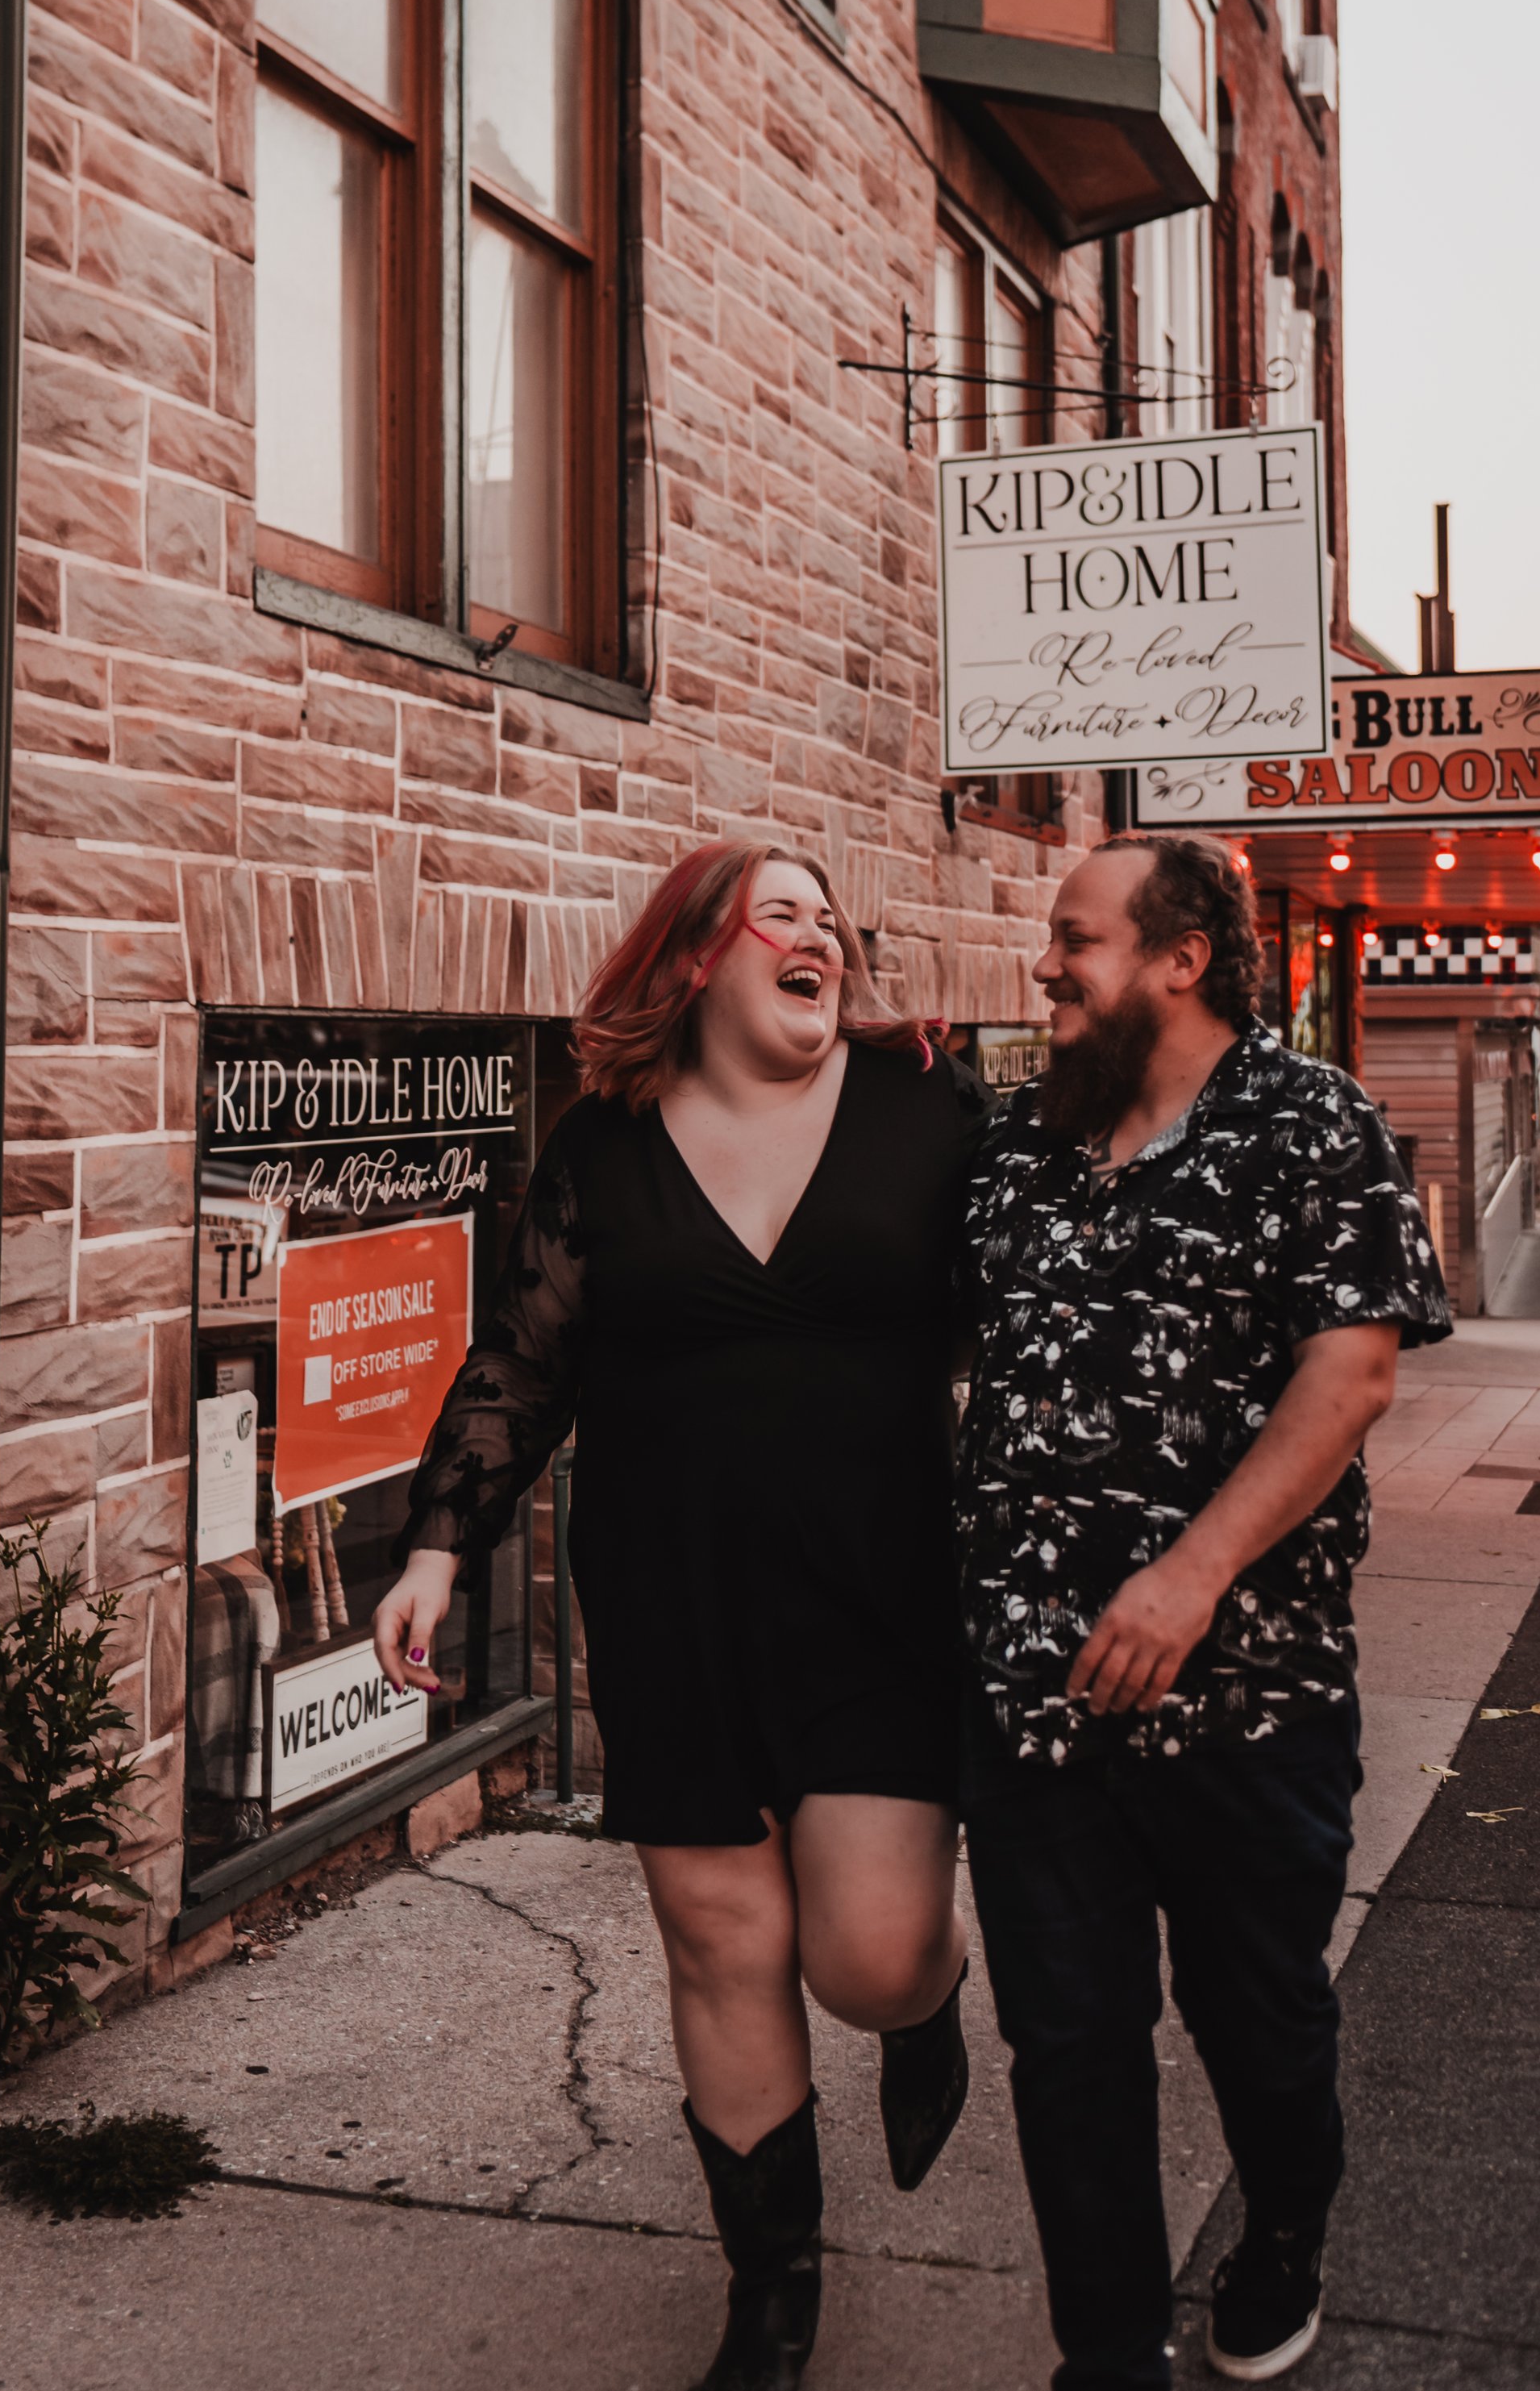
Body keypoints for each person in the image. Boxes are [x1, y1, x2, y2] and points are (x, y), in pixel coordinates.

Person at [374, 840, 990, 2391]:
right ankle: (771, 2299)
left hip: (880, 1600)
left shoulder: (931, 1111)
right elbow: (522, 1358)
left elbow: (1038, 1324)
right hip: (672, 1606)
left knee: (865, 1949)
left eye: (829, 917)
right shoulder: (605, 1141)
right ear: (697, 954)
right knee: (722, 1944)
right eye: (779, 911)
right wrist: (442, 1546)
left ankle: (930, 2005)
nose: (818, 934)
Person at [957, 834, 1451, 2389]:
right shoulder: (1030, 1141)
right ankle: (1107, 2352)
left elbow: (1351, 1370)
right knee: (1070, 2049)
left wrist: (1192, 1569)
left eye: (1074, 939)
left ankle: (1284, 2232)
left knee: (1258, 2020)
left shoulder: (1314, 1122)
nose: (1048, 967)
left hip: (1249, 1696)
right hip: (1035, 1697)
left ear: (1181, 958)